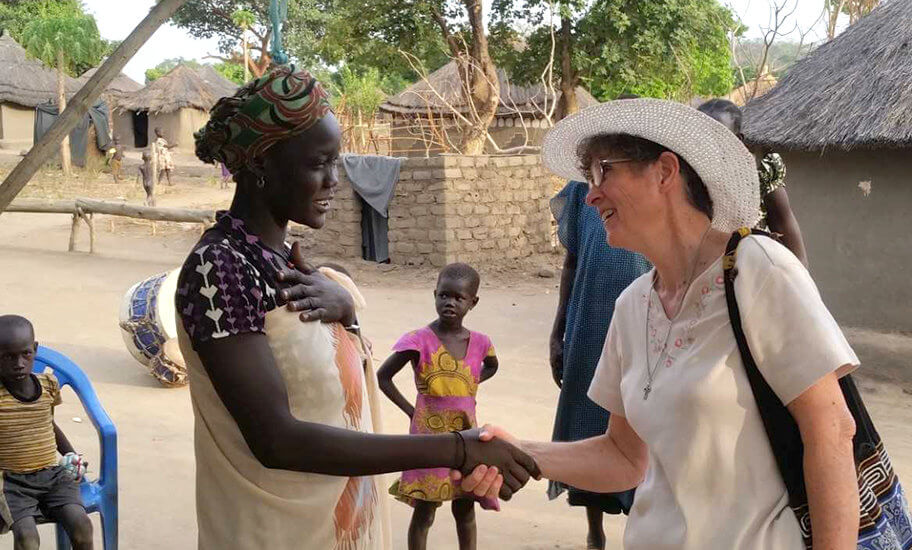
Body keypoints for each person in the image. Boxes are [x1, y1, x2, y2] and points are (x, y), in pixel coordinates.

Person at [457, 99, 912, 549]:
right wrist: (520, 451)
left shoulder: (757, 270)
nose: (591, 192)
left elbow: (831, 430)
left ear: (664, 171)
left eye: (603, 171)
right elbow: (622, 456)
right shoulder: (632, 307)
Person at [176, 66, 537, 550]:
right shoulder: (218, 269)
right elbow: (275, 439)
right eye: (318, 163)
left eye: (336, 161)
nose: (334, 181)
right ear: (262, 163)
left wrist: (348, 314)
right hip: (270, 534)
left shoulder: (288, 264)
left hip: (335, 526)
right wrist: (458, 448)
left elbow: (332, 376)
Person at [548, 175, 649, 548]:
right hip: (589, 321)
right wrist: (558, 331)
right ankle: (595, 532)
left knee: (641, 422)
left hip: (643, 324)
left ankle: (638, 525)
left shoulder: (647, 189)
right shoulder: (580, 192)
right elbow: (572, 261)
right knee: (590, 422)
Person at [377, 263, 499, 550]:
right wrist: (411, 411)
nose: (450, 303)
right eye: (444, 295)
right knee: (425, 511)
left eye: (459, 298)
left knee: (465, 508)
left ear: (473, 302)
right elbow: (383, 378)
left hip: (466, 436)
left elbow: (492, 366)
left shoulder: (481, 342)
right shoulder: (418, 341)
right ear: (434, 295)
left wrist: (468, 382)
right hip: (428, 439)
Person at [0, 315, 93, 550]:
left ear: (35, 349)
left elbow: (47, 425)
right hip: (11, 482)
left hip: (52, 476)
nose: (19, 363)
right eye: (8, 357)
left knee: (82, 525)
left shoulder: (48, 385)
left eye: (25, 354)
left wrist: (71, 455)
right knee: (28, 539)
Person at [697, 98, 808, 265]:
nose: (712, 144)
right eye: (705, 136)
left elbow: (797, 254)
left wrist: (800, 284)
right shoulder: (688, 182)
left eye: (720, 135)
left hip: (758, 276)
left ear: (739, 140)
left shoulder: (761, 178)